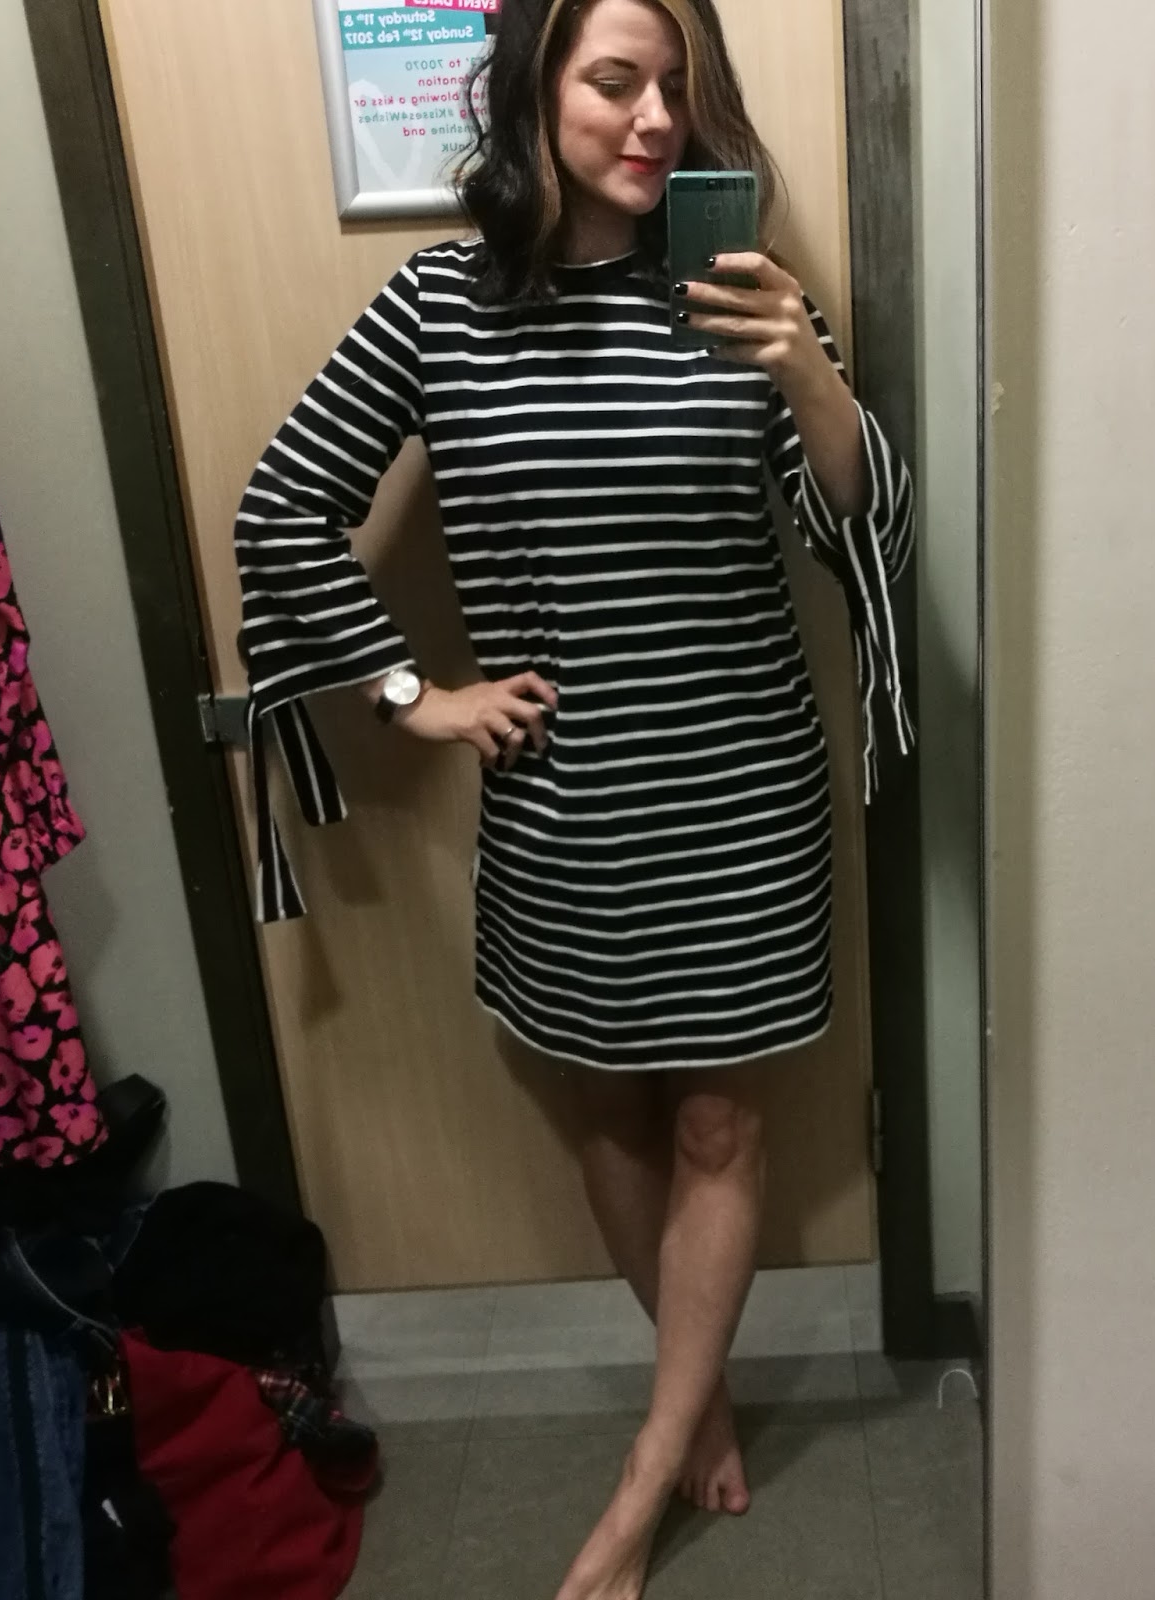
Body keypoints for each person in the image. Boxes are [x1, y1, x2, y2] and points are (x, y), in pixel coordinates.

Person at [234, 0, 912, 1594]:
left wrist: (809, 374)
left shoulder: (744, 297)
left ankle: (644, 1470)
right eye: (616, 81)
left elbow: (861, 533)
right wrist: (415, 696)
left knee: (722, 1117)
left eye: (681, 85)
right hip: (566, 806)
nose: (655, 117)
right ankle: (701, 1398)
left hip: (742, 791)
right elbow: (281, 510)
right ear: (535, 88)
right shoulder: (439, 307)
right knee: (607, 1105)